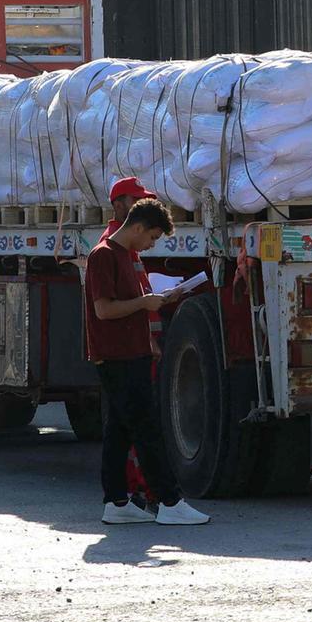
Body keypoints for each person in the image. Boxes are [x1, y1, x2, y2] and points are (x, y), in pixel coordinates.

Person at [83, 197, 210, 526]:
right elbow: (104, 310)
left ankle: (116, 502)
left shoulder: (127, 256)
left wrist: (154, 312)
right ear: (137, 227)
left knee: (120, 430)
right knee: (146, 428)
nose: (151, 243)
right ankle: (169, 501)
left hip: (132, 352)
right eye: (151, 237)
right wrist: (145, 302)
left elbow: (131, 305)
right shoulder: (103, 256)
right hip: (117, 355)